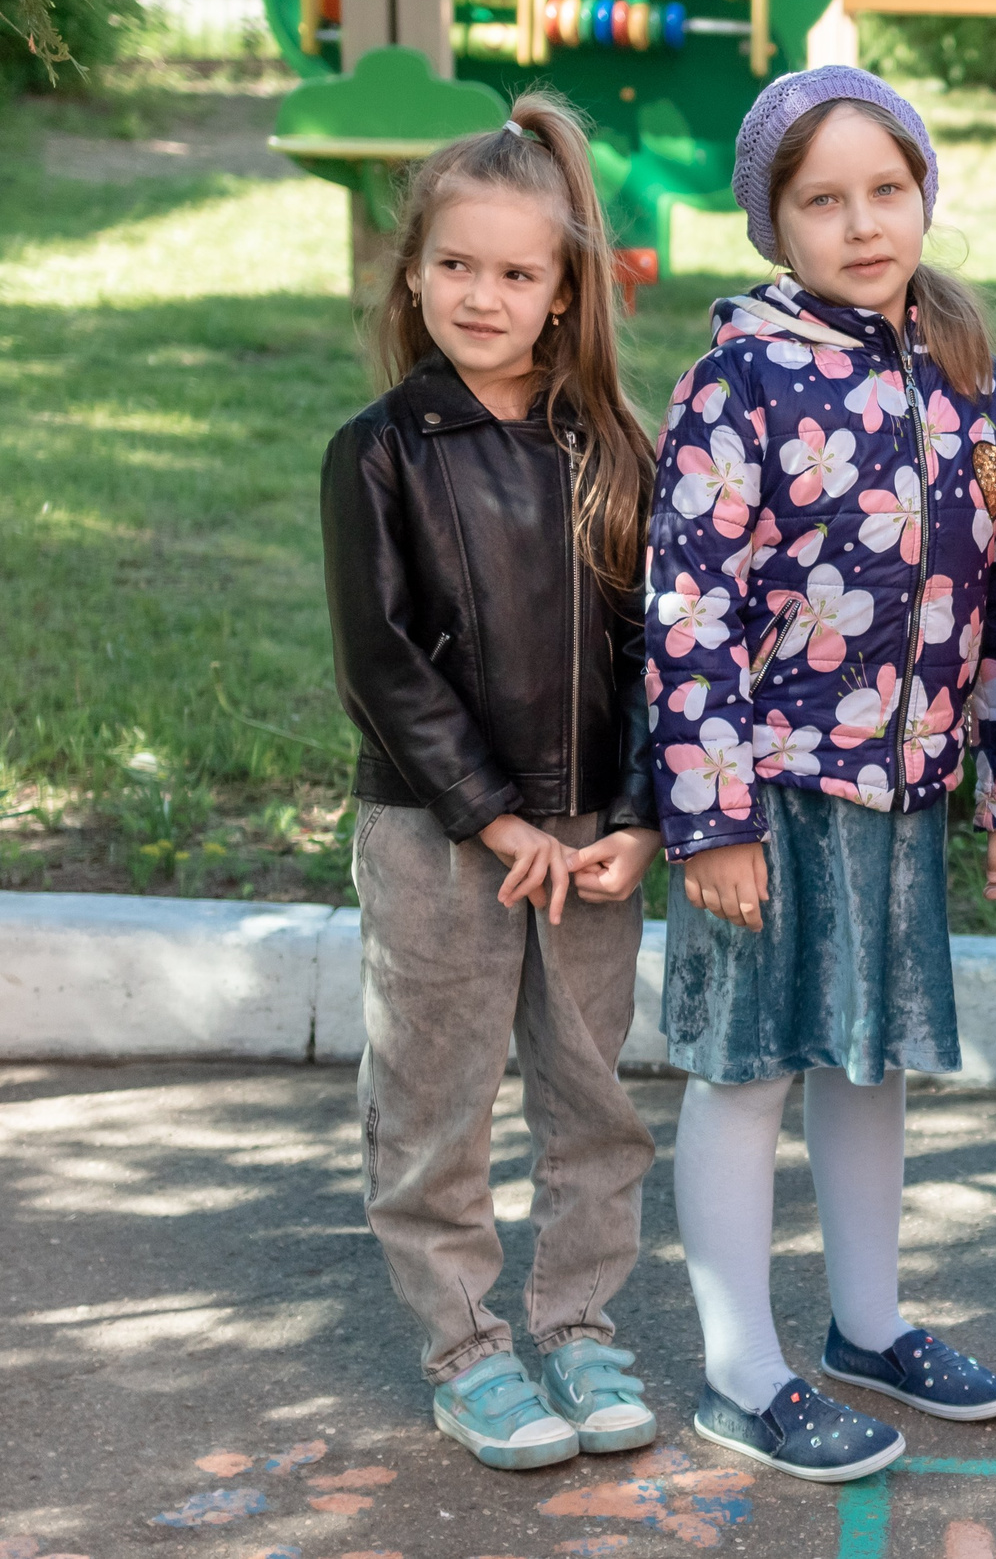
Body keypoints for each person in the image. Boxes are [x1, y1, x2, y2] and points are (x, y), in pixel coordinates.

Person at [647, 66, 996, 1484]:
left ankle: (868, 1325)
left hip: (902, 784)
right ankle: (742, 1365)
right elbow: (687, 605)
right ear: (774, 221)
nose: (865, 223)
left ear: (926, 190)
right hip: (766, 788)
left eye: (889, 189)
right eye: (825, 200)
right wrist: (711, 815)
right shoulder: (738, 377)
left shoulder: (965, 372)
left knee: (869, 1056)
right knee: (748, 1063)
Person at [322, 93, 664, 1471]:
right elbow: (382, 661)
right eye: (456, 264)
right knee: (436, 1097)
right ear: (412, 271)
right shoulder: (377, 451)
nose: (482, 292)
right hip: (441, 828)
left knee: (594, 1097)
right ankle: (468, 1343)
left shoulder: (612, 452)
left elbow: (657, 651)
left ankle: (578, 1323)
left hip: (588, 838)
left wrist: (640, 812)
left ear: (566, 292)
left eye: (517, 272)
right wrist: (492, 811)